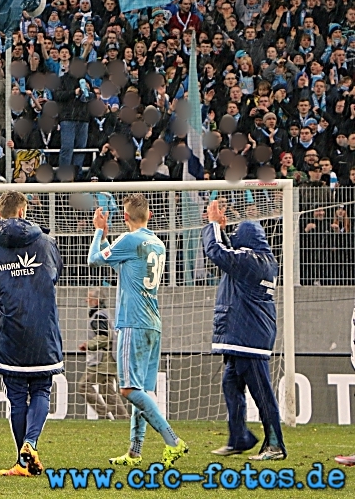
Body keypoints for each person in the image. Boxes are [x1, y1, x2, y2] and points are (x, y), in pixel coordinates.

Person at [87, 194, 188, 468]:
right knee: (140, 390)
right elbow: (119, 261)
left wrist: (99, 230)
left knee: (129, 389)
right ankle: (134, 451)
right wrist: (109, 238)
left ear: (125, 217)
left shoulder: (130, 240)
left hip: (132, 322)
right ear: (150, 215)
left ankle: (172, 440)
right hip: (153, 323)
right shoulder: (157, 242)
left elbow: (94, 260)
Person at [0, 191, 63, 477]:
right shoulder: (47, 242)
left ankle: (22, 461)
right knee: (42, 389)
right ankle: (30, 445)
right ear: (23, 212)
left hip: (7, 329)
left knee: (17, 396)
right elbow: (56, 273)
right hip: (42, 328)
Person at [203, 200, 286, 461]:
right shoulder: (263, 261)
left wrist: (213, 224)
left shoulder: (250, 260)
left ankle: (275, 445)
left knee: (262, 394)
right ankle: (239, 437)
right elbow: (230, 253)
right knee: (230, 384)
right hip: (247, 335)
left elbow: (217, 251)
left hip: (248, 338)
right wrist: (222, 231)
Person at [78, 287, 129, 420]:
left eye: (89, 298)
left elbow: (104, 336)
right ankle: (123, 418)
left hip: (102, 360)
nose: (86, 300)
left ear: (96, 300)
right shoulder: (106, 313)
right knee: (108, 392)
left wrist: (88, 345)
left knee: (84, 386)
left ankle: (104, 412)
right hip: (110, 359)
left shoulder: (98, 316)